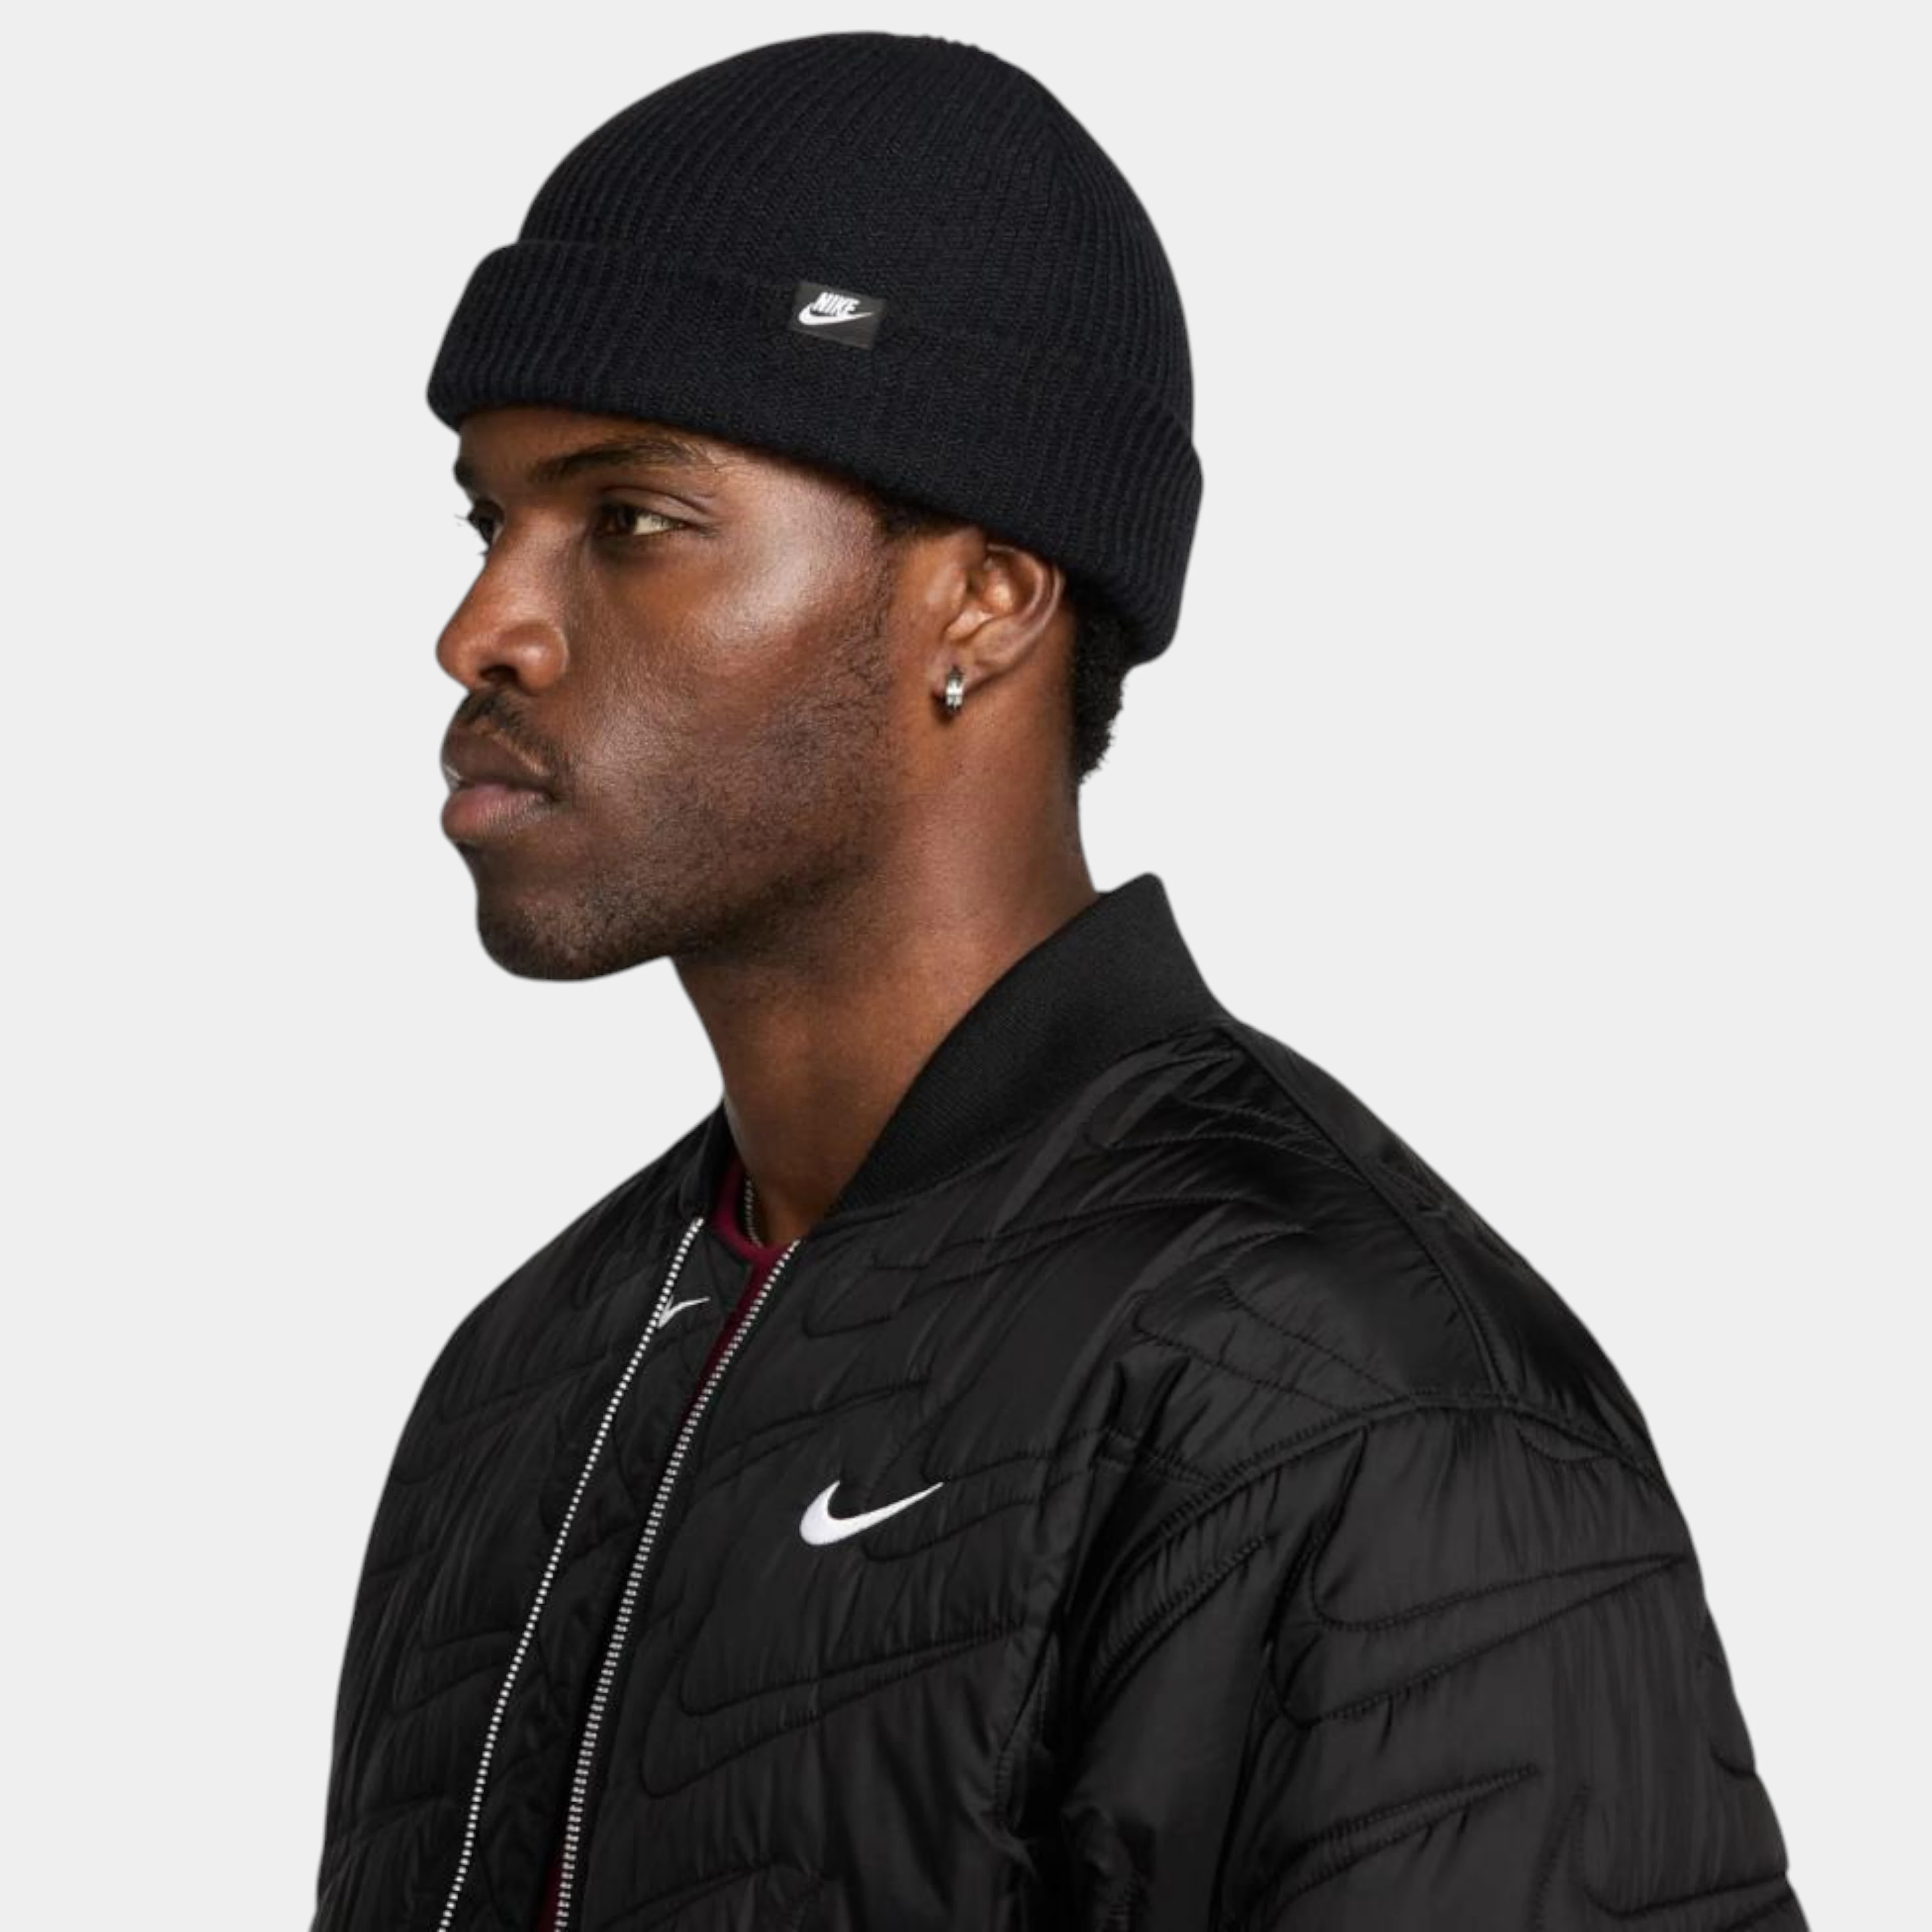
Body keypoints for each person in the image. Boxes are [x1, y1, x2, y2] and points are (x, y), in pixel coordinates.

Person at [310, 31, 1809, 1932]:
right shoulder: (529, 1378)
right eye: (489, 521)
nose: (483, 628)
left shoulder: (1352, 1397)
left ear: (987, 599)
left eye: (631, 523)